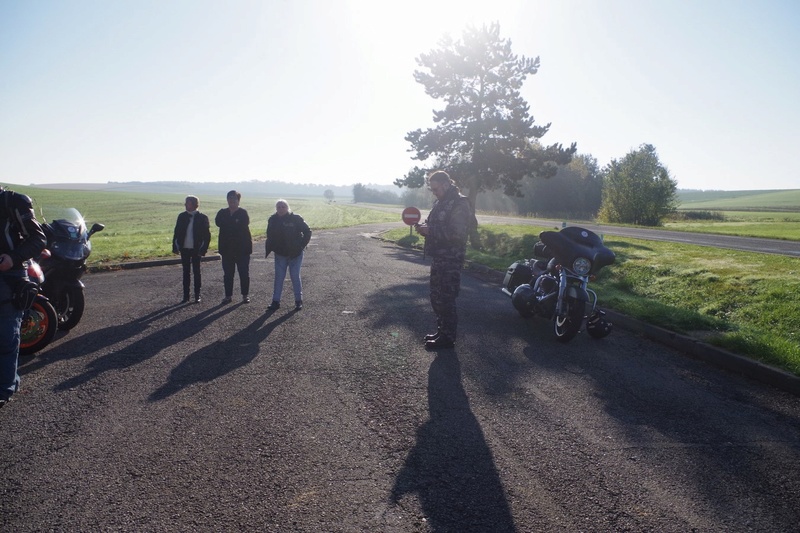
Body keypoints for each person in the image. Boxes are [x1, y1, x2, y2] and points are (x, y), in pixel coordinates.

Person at [414, 170, 472, 349]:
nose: (434, 192)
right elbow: (438, 224)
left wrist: (430, 231)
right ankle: (441, 331)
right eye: (432, 190)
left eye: (436, 189)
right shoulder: (441, 202)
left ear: (446, 185)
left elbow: (458, 234)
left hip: (450, 259)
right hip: (440, 257)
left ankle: (448, 338)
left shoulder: (459, 203)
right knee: (436, 297)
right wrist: (425, 227)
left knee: (446, 298)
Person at [0, 187, 46, 409]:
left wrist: (13, 257)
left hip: (7, 276)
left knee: (6, 335)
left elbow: (38, 239)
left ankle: (4, 389)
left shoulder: (13, 201)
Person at [264, 199, 312, 311]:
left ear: (287, 207)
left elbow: (307, 231)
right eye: (279, 207)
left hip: (295, 254)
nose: (281, 209)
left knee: (295, 276)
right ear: (276, 208)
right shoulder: (272, 219)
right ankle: (275, 301)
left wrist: (301, 246)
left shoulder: (296, 219)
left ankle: (298, 301)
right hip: (280, 254)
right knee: (278, 278)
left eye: (283, 206)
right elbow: (269, 234)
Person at [215, 190, 252, 304]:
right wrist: (232, 223)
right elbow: (218, 222)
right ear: (227, 200)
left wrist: (229, 223)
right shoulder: (222, 212)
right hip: (227, 250)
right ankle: (228, 296)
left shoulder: (243, 213)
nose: (232, 200)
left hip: (242, 249)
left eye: (234, 198)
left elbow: (242, 225)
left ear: (238, 200)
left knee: (244, 273)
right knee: (228, 274)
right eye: (230, 198)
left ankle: (245, 295)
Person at [172, 195, 211, 303]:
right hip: (184, 248)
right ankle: (186, 296)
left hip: (196, 249)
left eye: (187, 203)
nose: (185, 205)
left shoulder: (203, 217)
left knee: (197, 272)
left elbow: (207, 236)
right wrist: (175, 246)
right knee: (186, 272)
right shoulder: (181, 216)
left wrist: (203, 249)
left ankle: (197, 295)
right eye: (185, 203)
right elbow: (177, 232)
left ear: (194, 204)